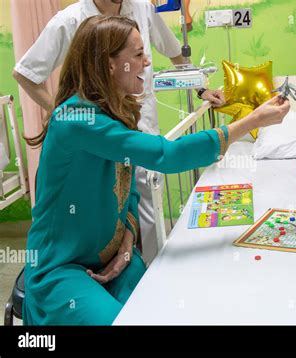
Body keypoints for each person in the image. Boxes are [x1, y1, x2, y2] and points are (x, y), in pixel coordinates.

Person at [23, 15, 290, 325]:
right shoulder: (75, 119)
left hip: (114, 259)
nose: (147, 62)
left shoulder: (118, 110)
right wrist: (253, 121)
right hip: (62, 268)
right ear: (110, 65)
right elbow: (167, 155)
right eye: (137, 55)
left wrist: (127, 244)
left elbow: (129, 189)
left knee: (170, 308)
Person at [13, 0, 225, 264]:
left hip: (140, 131)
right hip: (99, 143)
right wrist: (65, 115)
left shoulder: (142, 9)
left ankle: (146, 276)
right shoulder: (69, 21)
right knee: (104, 218)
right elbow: (26, 72)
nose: (145, 62)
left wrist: (200, 88)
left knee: (145, 218)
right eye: (138, 56)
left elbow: (174, 52)